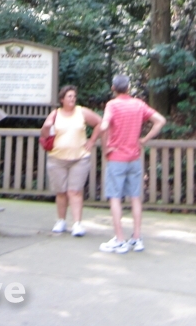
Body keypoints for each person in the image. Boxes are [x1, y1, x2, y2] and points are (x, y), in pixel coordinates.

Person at [97, 74, 166, 253]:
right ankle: (136, 238)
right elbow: (160, 121)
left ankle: (119, 239)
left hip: (116, 159)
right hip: (134, 158)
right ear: (128, 88)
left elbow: (104, 126)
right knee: (135, 198)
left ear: (113, 88)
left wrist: (99, 142)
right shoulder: (138, 104)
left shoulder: (112, 105)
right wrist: (144, 139)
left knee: (115, 198)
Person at [41, 86, 101, 237]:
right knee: (61, 192)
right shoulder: (55, 114)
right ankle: (61, 220)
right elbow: (43, 135)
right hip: (57, 158)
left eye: (74, 96)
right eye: (69, 96)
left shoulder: (82, 112)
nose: (72, 99)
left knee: (75, 191)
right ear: (62, 99)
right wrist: (46, 127)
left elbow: (99, 123)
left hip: (79, 158)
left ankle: (77, 224)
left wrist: (92, 141)